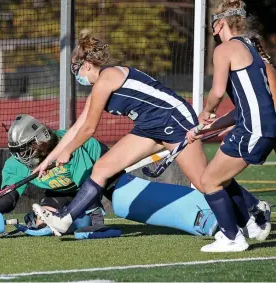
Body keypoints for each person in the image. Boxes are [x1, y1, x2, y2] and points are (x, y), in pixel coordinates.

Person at [30, 28, 270, 241]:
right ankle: (66, 218)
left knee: (204, 181)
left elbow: (89, 129)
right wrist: (48, 161)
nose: (76, 75)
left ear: (87, 65)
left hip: (174, 120)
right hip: (148, 127)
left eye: (75, 69)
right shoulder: (98, 89)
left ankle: (254, 208)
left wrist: (69, 152)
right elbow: (76, 127)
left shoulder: (107, 78)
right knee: (102, 169)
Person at [0, 114, 219, 237]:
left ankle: (202, 207)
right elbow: (8, 198)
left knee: (122, 203)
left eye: (26, 149)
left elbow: (88, 185)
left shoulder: (71, 145)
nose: (22, 156)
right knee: (42, 225)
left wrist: (86, 213)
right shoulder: (16, 164)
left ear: (41, 140)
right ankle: (81, 218)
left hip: (102, 176)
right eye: (18, 151)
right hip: (62, 192)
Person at [184, 0, 276, 252]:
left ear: (221, 23)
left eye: (215, 20)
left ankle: (232, 237)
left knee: (208, 181)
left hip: (254, 129)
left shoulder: (224, 50)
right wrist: (210, 126)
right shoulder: (252, 49)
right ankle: (253, 217)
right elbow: (250, 105)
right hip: (258, 127)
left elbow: (216, 92)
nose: (213, 26)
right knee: (217, 177)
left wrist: (205, 113)